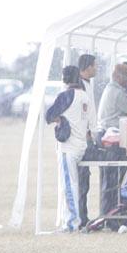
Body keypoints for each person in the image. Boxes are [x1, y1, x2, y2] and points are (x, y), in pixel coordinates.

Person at [45, 66, 96, 232]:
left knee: (69, 186)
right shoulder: (85, 96)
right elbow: (92, 124)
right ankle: (73, 219)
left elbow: (48, 116)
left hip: (69, 147)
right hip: (82, 145)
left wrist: (59, 120)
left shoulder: (66, 96)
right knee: (74, 185)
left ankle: (72, 223)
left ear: (65, 79)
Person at [96, 63, 127, 217]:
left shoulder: (109, 89)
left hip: (104, 137)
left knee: (107, 181)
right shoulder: (119, 93)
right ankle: (111, 215)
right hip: (113, 139)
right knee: (113, 181)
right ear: (119, 77)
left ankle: (106, 213)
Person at [77, 54, 97, 228]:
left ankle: (83, 216)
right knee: (81, 180)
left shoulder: (88, 84)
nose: (96, 69)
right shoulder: (79, 86)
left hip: (88, 137)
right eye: (95, 66)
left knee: (85, 180)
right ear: (88, 67)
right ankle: (79, 217)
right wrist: (88, 134)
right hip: (82, 138)